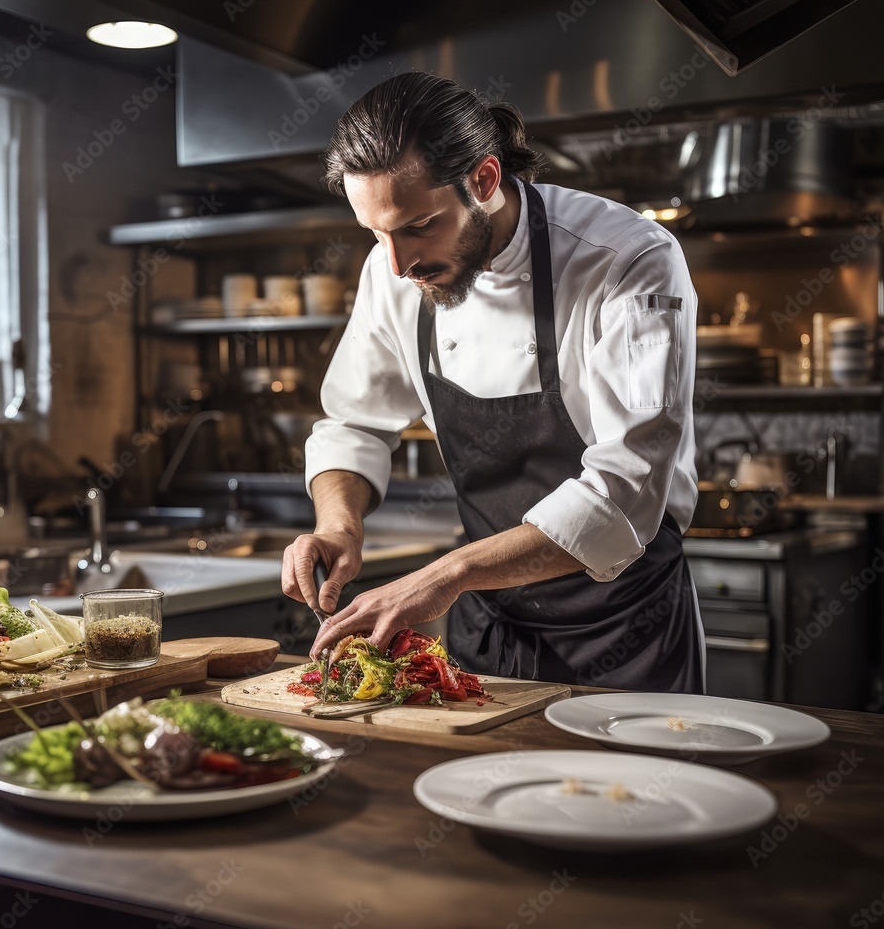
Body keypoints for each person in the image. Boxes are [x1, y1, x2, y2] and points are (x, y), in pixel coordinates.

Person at [281, 71, 704, 693]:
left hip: (623, 628)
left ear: (484, 179)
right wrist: (338, 524)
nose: (398, 265)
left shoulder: (627, 261)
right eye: (376, 234)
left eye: (420, 225)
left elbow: (626, 490)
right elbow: (354, 422)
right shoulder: (393, 270)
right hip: (491, 626)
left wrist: (445, 575)